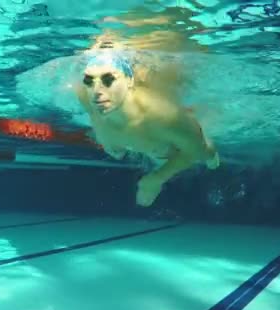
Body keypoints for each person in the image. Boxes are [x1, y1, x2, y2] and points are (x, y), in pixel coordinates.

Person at [74, 9, 220, 207]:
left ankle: (211, 153)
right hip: (131, 133)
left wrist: (155, 180)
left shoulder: (163, 116)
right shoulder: (85, 93)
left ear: (129, 80)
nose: (97, 91)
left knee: (201, 150)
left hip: (168, 140)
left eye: (108, 80)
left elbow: (194, 151)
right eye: (89, 81)